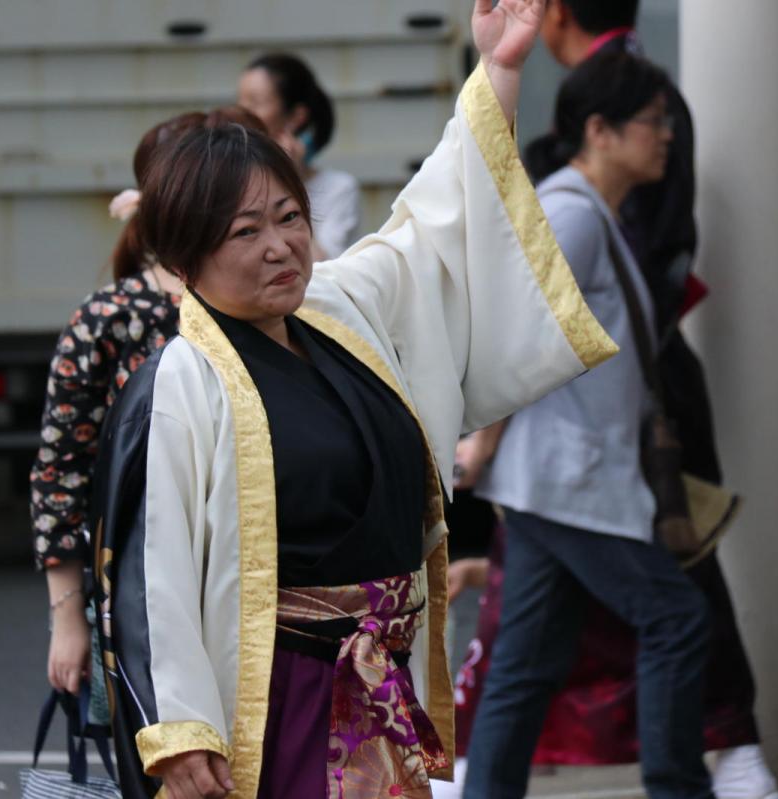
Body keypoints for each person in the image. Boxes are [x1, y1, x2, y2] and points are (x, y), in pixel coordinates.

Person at [88, 2, 620, 797]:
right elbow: (152, 573)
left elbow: (435, 224)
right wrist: (180, 729)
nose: (281, 245)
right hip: (279, 700)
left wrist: (499, 72)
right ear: (186, 258)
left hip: (377, 686)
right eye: (245, 232)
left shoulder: (340, 308)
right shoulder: (179, 381)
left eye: (290, 216)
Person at [451, 2, 778, 797]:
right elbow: (513, 334)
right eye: (650, 121)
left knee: (525, 666)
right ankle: (678, 786)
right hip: (567, 478)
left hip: (556, 479)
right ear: (600, 130)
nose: (665, 134)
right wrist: (485, 441)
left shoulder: (584, 211)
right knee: (675, 618)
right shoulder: (574, 215)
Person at [30, 108, 263, 699]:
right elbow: (61, 473)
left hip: (269, 591)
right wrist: (67, 620)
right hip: (142, 593)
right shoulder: (107, 319)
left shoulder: (277, 310)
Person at [238, 52, 362, 259]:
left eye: (255, 103)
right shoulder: (233, 181)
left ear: (296, 117)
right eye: (240, 102)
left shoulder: (339, 189)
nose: (242, 113)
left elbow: (322, 266)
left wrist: (288, 182)